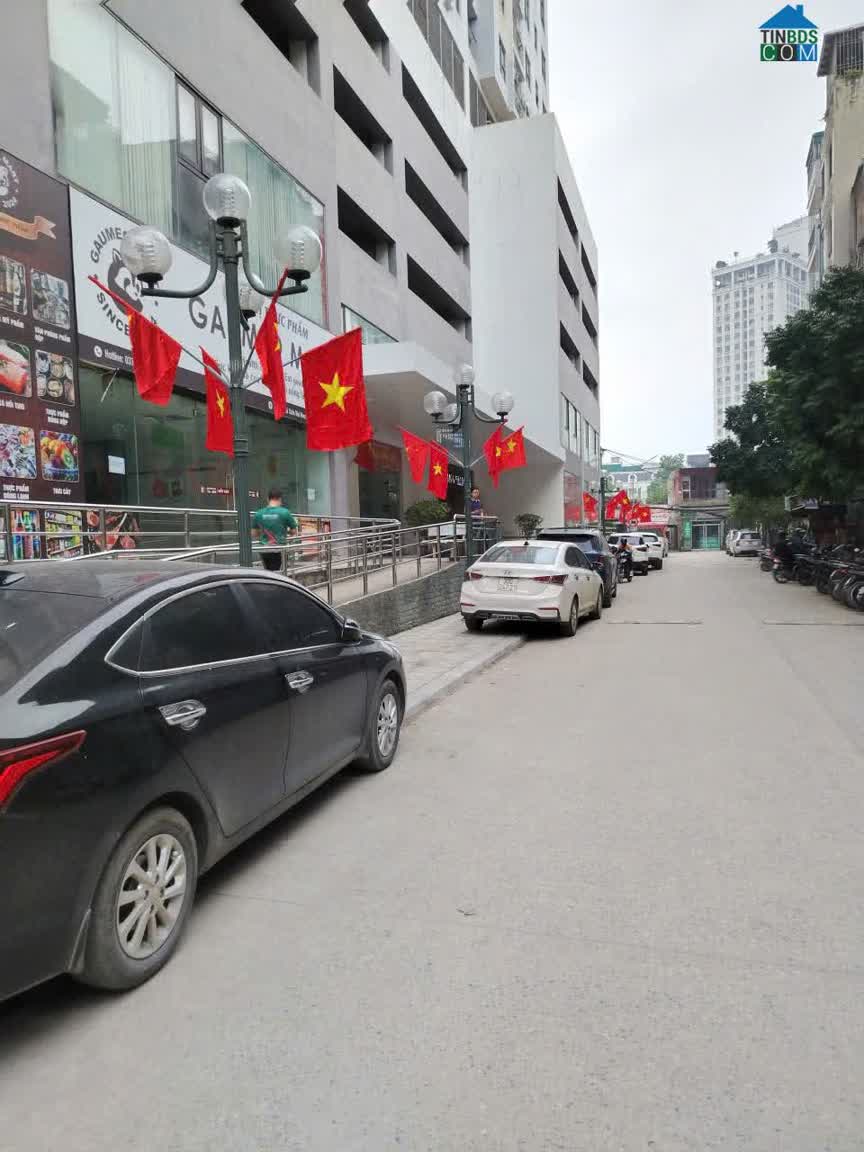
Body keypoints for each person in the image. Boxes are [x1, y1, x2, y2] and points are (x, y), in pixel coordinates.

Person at [252, 488, 298, 572]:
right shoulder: (285, 512)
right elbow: (294, 531)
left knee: (268, 571)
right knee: (278, 571)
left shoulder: (259, 513)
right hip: (279, 548)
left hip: (264, 548)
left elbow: (254, 533)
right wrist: (285, 531)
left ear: (268, 499)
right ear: (280, 499)